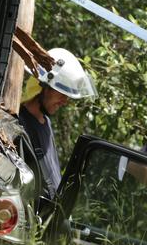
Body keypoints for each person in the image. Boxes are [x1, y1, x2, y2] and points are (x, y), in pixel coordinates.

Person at [18, 48, 97, 199]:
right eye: (61, 93)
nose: (65, 101)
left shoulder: (45, 122)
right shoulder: (19, 124)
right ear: (43, 86)